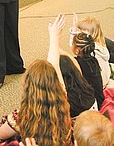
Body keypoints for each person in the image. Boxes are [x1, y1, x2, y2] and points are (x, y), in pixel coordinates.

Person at [0, 15, 72, 145]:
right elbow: (54, 64)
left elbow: (0, 134)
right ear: (55, 84)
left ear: (28, 87)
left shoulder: (22, 117)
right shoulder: (63, 105)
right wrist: (54, 37)